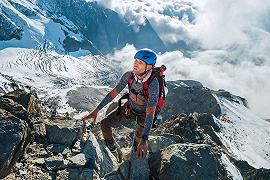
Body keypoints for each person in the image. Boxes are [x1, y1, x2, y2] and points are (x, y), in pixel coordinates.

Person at [82, 49, 160, 160]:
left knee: (137, 147)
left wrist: (144, 140)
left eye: (140, 62)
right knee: (104, 123)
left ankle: (132, 156)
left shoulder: (153, 84)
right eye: (136, 60)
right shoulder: (129, 76)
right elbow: (114, 93)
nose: (135, 64)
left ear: (149, 67)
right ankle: (113, 150)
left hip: (144, 114)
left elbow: (150, 113)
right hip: (130, 108)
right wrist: (96, 110)